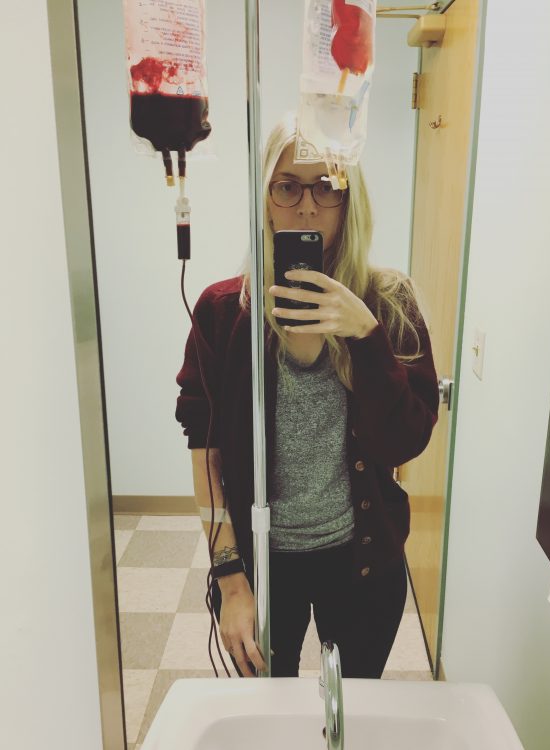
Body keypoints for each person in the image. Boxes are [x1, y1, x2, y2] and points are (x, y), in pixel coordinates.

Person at [175, 111, 439, 679]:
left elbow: (407, 440)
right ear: (266, 200)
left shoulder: (390, 305)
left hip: (363, 560)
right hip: (262, 562)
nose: (308, 205)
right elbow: (206, 450)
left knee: (349, 708)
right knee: (267, 712)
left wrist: (365, 336)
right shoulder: (224, 314)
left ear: (350, 199)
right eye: (288, 186)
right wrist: (230, 576)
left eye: (328, 185)